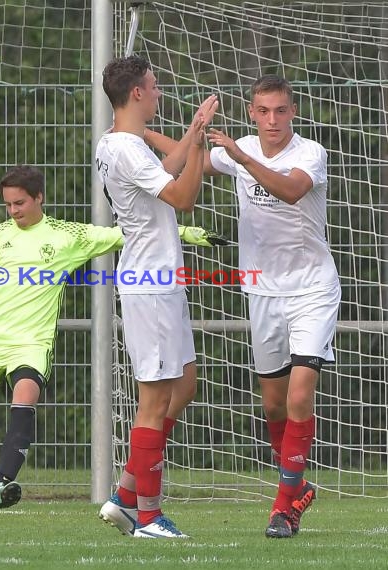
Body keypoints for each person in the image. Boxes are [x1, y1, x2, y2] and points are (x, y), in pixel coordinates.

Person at [0, 164, 225, 509]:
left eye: (19, 203)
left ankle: (3, 484)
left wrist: (186, 233)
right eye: (8, 205)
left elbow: (123, 233)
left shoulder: (65, 236)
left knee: (24, 400)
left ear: (39, 198)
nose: (13, 211)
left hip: (30, 342)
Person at [145, 75, 341, 538]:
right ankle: (298, 487)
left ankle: (282, 508)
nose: (272, 120)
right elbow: (187, 155)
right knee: (274, 407)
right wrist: (140, 133)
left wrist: (241, 157)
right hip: (262, 292)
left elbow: (290, 190)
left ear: (292, 112)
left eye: (280, 111)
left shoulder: (308, 153)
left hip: (312, 290)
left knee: (298, 395)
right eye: (263, 111)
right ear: (252, 113)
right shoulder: (242, 149)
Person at [95, 55, 219, 539]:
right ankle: (147, 515)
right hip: (150, 282)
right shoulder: (124, 148)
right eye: (154, 85)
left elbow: (162, 172)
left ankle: (127, 493)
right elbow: (182, 197)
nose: (160, 91)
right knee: (155, 399)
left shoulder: (120, 143)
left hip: (161, 279)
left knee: (183, 385)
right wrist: (202, 142)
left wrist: (190, 134)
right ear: (137, 94)